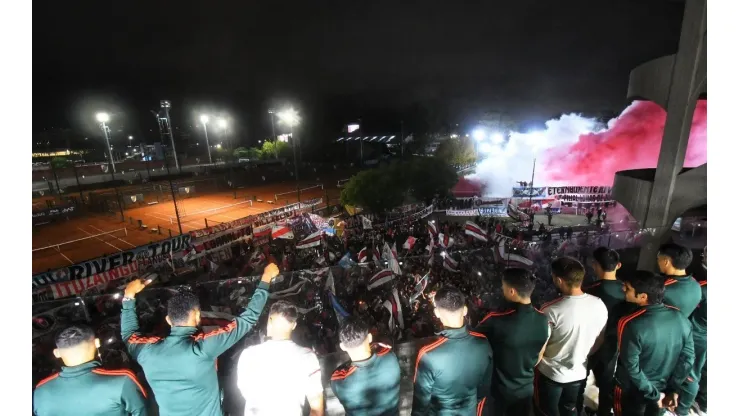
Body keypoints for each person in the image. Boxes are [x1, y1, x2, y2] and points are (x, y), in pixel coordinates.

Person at [120, 263, 278, 416]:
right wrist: (266, 279)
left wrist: (128, 296)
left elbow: (128, 335)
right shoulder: (203, 348)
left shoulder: (146, 352)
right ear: (196, 316)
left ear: (168, 320)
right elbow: (248, 319)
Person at [613, 271, 695, 416]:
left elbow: (631, 366)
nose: (623, 290)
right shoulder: (680, 318)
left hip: (635, 390)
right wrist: (673, 390)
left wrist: (654, 395)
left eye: (628, 288)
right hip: (664, 388)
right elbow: (688, 359)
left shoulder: (630, 323)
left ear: (643, 296)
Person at [534, 257, 608, 416]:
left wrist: (532, 365)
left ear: (558, 280)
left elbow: (541, 347)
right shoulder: (599, 304)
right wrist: (582, 354)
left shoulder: (550, 310)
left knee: (547, 411)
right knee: (570, 409)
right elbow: (600, 339)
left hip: (550, 374)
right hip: (579, 373)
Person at [475, 268, 550, 416]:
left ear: (512, 291)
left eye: (503, 287)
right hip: (526, 390)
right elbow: (539, 356)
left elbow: (473, 339)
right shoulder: (543, 320)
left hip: (500, 393)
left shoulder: (495, 320)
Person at [34, 325, 148, 416]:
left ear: (57, 353)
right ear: (97, 342)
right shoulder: (122, 380)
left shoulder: (40, 391)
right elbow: (142, 411)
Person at [412, 286, 492, 416]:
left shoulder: (428, 354)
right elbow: (484, 389)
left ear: (437, 313)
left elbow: (420, 405)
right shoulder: (483, 343)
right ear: (465, 310)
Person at [236, 300, 324, 416]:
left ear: (269, 322)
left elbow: (245, 391)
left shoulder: (248, 354)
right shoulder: (307, 357)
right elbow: (317, 409)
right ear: (294, 325)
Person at [585, 247, 630, 416]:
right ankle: (604, 412)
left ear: (595, 265)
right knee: (606, 383)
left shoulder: (591, 290)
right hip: (613, 343)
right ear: (618, 265)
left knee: (582, 377)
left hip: (592, 342)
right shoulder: (627, 289)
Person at [330, 317, 401, 416]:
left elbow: (343, 370)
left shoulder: (339, 381)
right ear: (370, 338)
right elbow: (383, 347)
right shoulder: (391, 358)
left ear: (342, 347)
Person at [676, 246, 707, 416]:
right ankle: (702, 402)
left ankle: (682, 409)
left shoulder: (701, 288)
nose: (704, 257)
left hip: (697, 335)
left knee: (690, 374)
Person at [657, 243, 701, 318]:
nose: (657, 262)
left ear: (666, 262)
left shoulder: (661, 288)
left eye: (658, 259)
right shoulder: (696, 285)